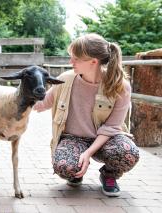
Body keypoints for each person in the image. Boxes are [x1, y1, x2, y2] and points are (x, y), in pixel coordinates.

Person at [34, 33, 139, 197]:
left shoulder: (120, 86)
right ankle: (76, 173)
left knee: (128, 153)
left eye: (75, 58)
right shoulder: (66, 79)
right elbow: (41, 104)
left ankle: (109, 175)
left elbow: (111, 127)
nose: (71, 62)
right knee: (64, 167)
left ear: (93, 62)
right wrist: (15, 98)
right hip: (73, 138)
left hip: (106, 138)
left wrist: (88, 153)